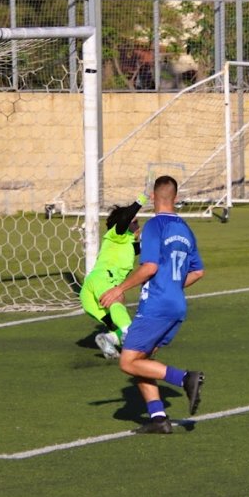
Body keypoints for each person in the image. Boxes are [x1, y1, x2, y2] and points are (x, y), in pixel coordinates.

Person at [99, 175, 205, 434]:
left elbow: (149, 267)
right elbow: (198, 271)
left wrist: (119, 289)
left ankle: (185, 378)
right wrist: (172, 286)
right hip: (177, 305)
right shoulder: (186, 230)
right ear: (175, 198)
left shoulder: (154, 226)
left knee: (127, 362)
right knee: (141, 360)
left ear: (154, 197)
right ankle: (159, 418)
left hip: (156, 305)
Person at [79, 195, 146, 359]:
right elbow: (124, 219)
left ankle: (108, 341)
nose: (138, 226)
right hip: (103, 280)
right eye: (135, 222)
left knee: (114, 320)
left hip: (89, 292)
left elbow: (145, 248)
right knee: (118, 299)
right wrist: (142, 199)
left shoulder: (126, 244)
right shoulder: (117, 234)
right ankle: (130, 336)